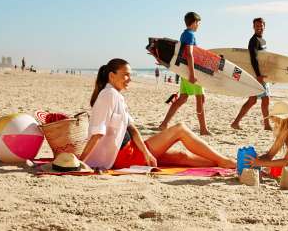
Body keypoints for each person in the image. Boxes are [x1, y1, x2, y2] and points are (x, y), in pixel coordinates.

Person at [79, 58, 235, 171]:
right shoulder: (109, 95)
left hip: (134, 150)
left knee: (180, 156)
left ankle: (221, 163)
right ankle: (223, 160)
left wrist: (146, 152)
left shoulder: (116, 95)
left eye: (130, 75)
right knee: (179, 129)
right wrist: (80, 162)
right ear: (112, 76)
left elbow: (132, 129)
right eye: (125, 75)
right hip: (125, 156)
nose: (130, 79)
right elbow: (97, 133)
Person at [159, 12, 210, 135]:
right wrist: (192, 74)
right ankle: (203, 129)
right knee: (200, 98)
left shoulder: (184, 34)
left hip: (184, 72)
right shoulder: (190, 35)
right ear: (193, 23)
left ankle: (164, 124)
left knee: (182, 98)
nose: (198, 25)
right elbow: (189, 54)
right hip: (191, 72)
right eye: (198, 23)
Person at [231, 17, 271, 130]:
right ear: (253, 27)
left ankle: (236, 122)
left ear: (264, 26)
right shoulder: (253, 40)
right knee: (264, 99)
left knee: (254, 100)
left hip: (262, 74)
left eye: (261, 25)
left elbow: (263, 59)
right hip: (257, 75)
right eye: (257, 26)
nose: (259, 27)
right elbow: (253, 59)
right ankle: (267, 125)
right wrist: (258, 75)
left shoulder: (263, 40)